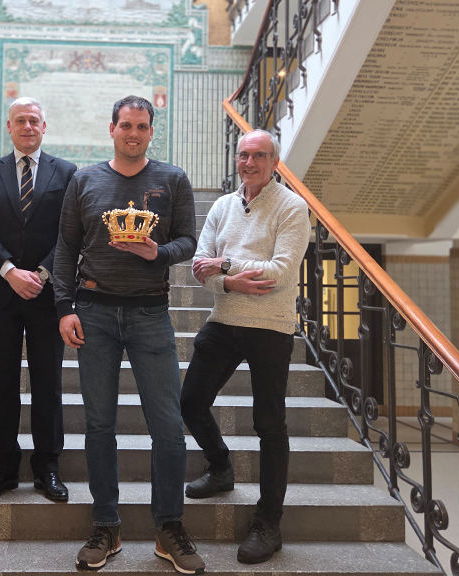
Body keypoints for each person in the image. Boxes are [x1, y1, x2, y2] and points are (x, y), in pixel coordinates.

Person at [53, 95, 205, 575]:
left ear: (150, 130)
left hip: (149, 315)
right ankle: (106, 526)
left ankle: (169, 527)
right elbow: (66, 248)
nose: (133, 133)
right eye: (126, 125)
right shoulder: (85, 179)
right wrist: (64, 308)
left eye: (142, 126)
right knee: (99, 425)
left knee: (167, 426)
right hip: (94, 312)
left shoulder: (172, 179)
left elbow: (189, 242)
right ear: (112, 128)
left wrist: (154, 254)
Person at [180, 129, 310, 564]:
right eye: (243, 155)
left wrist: (228, 264)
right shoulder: (221, 206)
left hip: (271, 326)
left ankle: (268, 522)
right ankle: (220, 467)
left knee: (269, 424)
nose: (249, 162)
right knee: (191, 400)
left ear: (274, 162)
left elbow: (280, 272)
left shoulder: (292, 207)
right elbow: (200, 267)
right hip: (224, 318)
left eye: (259, 156)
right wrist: (227, 280)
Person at [0, 97, 77, 502]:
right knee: (2, 384)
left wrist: (42, 275)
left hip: (48, 297)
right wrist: (11, 272)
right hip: (3, 296)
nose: (27, 126)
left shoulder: (66, 173)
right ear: (8, 126)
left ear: (44, 127)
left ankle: (47, 468)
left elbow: (71, 233)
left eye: (34, 120)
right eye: (20, 120)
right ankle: (3, 470)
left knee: (48, 385)